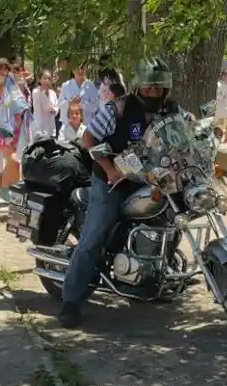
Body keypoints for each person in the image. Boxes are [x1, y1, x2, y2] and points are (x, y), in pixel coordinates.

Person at [58, 58, 179, 329]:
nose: (153, 94)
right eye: (148, 89)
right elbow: (89, 139)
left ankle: (157, 272)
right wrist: (109, 167)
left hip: (151, 178)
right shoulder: (119, 108)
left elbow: (185, 132)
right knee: (93, 238)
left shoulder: (171, 111)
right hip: (113, 181)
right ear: (139, 88)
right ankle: (71, 300)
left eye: (158, 89)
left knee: (173, 216)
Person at [32, 69, 59, 138]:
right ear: (40, 80)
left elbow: (57, 106)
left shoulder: (53, 93)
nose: (47, 80)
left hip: (51, 128)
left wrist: (55, 110)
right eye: (45, 78)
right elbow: (44, 106)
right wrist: (46, 89)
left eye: (49, 79)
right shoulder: (36, 92)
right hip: (39, 128)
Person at [214, 69, 227, 144]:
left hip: (226, 105)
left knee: (221, 122)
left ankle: (224, 137)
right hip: (220, 105)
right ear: (224, 76)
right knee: (223, 121)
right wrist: (223, 96)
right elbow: (216, 95)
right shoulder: (219, 84)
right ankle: (222, 137)